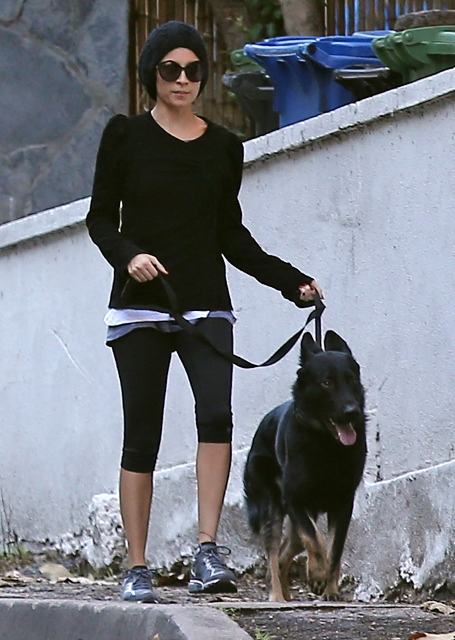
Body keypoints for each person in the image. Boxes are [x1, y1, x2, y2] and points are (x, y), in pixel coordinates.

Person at [86, 20, 323, 603]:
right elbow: (100, 220)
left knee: (216, 417)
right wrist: (130, 256)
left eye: (194, 70)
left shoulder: (223, 147)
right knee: (142, 434)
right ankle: (136, 566)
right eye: (171, 69)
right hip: (140, 309)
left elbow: (230, 235)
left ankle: (207, 550)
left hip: (207, 306)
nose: (183, 79)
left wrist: (291, 282)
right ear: (152, 74)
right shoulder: (125, 136)